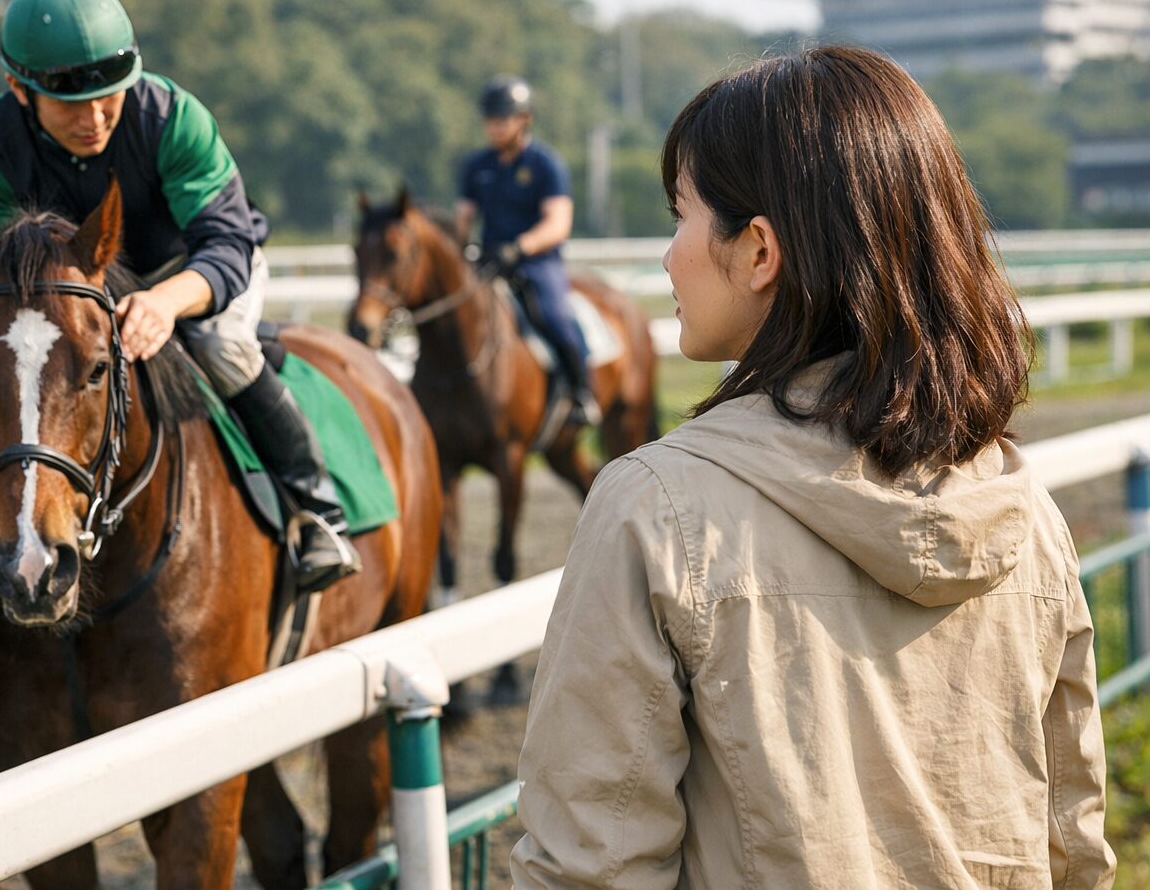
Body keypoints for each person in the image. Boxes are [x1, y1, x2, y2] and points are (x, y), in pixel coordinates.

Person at [511, 47, 1115, 888]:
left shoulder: (653, 506)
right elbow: (1072, 845)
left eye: (679, 216)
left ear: (759, 251)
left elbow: (590, 867)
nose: (667, 256)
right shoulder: (1028, 514)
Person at [0, 0, 356, 591]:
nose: (95, 117)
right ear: (18, 89)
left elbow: (227, 243)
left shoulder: (174, 118)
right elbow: (3, 286)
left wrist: (166, 303)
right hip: (69, 301)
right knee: (5, 372)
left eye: (110, 95)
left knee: (224, 347)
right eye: (70, 103)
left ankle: (314, 508)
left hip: (195, 273)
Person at [455, 74, 599, 426]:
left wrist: (518, 248)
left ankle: (582, 393)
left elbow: (557, 224)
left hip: (536, 263)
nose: (495, 127)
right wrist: (459, 251)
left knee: (554, 317)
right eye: (490, 120)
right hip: (489, 260)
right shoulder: (477, 166)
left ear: (525, 119)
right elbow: (463, 218)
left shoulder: (545, 165)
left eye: (502, 119)